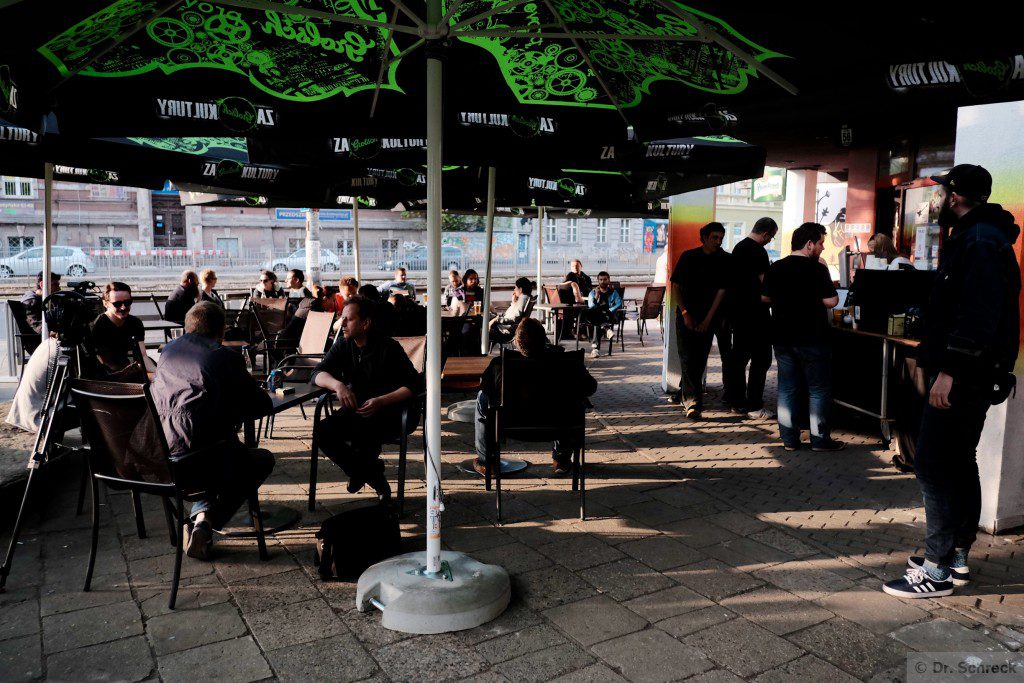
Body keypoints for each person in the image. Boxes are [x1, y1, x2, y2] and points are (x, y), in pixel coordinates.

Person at [883, 164, 1021, 599]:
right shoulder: (976, 235)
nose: (936, 198)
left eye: (941, 191)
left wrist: (949, 372)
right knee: (959, 461)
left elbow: (977, 318)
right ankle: (957, 555)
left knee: (934, 464)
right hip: (970, 373)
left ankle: (937, 567)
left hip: (963, 375)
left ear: (957, 195)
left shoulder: (980, 240)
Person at [150, 302, 274, 560]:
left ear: (187, 327)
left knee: (223, 450)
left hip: (160, 460)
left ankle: (202, 517)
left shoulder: (168, 352)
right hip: (202, 461)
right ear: (222, 330)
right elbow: (259, 405)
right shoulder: (224, 356)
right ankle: (205, 525)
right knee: (259, 460)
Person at [311, 297, 420, 500]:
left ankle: (367, 474)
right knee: (322, 432)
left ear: (365, 323)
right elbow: (317, 373)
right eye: (341, 318)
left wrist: (381, 401)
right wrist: (338, 386)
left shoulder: (389, 348)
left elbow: (413, 385)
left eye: (348, 319)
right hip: (359, 409)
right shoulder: (345, 345)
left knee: (364, 434)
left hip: (393, 411)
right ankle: (373, 474)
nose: (342, 324)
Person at [474, 318, 596, 476]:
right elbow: (590, 387)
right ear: (544, 339)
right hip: (559, 426)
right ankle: (562, 459)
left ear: (517, 342)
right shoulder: (569, 363)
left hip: (513, 426)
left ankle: (487, 462)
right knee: (573, 400)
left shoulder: (500, 364)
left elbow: (485, 388)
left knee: (482, 398)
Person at [763, 222, 844, 452]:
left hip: (782, 337)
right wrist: (811, 299)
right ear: (809, 244)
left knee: (787, 388)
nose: (822, 248)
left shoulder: (776, 267)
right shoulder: (817, 268)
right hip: (812, 337)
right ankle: (819, 440)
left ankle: (789, 440)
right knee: (817, 389)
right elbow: (832, 301)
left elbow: (765, 298)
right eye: (820, 243)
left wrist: (788, 299)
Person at [669, 222, 736, 418]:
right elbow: (676, 287)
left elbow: (721, 292)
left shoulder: (725, 260)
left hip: (710, 316)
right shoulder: (689, 257)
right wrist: (685, 313)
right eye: (714, 237)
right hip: (686, 314)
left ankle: (689, 395)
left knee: (699, 358)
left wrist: (708, 320)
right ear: (704, 238)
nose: (718, 241)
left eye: (721, 238)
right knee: (687, 356)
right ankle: (693, 402)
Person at [727, 217, 778, 419]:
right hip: (756, 314)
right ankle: (754, 405)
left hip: (739, 313)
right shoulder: (758, 251)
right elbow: (764, 282)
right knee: (761, 360)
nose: (770, 241)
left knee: (739, 359)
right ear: (765, 234)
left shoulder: (738, 248)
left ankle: (736, 402)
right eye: (771, 237)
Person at [89, 281, 146, 376]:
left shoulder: (135, 323)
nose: (123, 307)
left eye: (127, 302)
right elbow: (97, 363)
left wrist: (158, 373)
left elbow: (143, 356)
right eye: (117, 304)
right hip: (105, 376)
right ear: (105, 304)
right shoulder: (96, 326)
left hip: (127, 371)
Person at [585, 271, 622, 358]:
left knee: (596, 322)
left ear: (609, 280)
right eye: (601, 279)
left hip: (609, 316)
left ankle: (595, 350)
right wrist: (597, 296)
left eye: (605, 279)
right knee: (595, 316)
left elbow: (619, 303)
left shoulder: (614, 292)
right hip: (598, 316)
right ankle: (606, 328)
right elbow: (591, 306)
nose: (603, 281)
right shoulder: (592, 293)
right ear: (598, 281)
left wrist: (609, 310)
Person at [489, 276, 533, 346]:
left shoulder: (523, 299)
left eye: (515, 287)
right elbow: (514, 314)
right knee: (487, 317)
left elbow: (514, 318)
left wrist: (496, 320)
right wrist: (513, 302)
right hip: (505, 325)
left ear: (520, 289)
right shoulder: (524, 298)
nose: (514, 290)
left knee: (482, 326)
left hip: (505, 331)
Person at [21, 271, 61, 335]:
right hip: (41, 340)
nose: (59, 289)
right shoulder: (31, 301)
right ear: (42, 284)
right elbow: (37, 325)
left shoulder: (49, 299)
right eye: (55, 285)